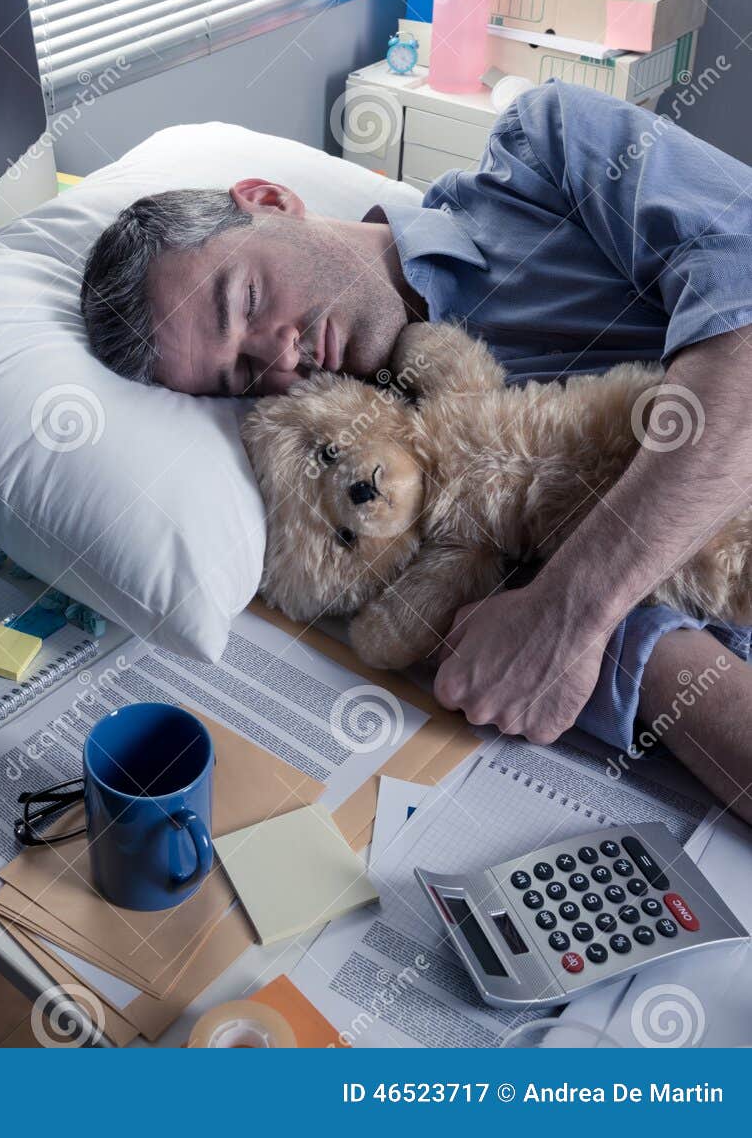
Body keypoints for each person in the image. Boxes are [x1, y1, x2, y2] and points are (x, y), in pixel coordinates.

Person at [80, 82, 752, 822]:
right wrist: (602, 633)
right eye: (241, 373)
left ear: (269, 199)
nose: (278, 357)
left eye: (245, 300)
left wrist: (573, 609)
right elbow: (621, 667)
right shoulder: (379, 481)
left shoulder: (552, 146)